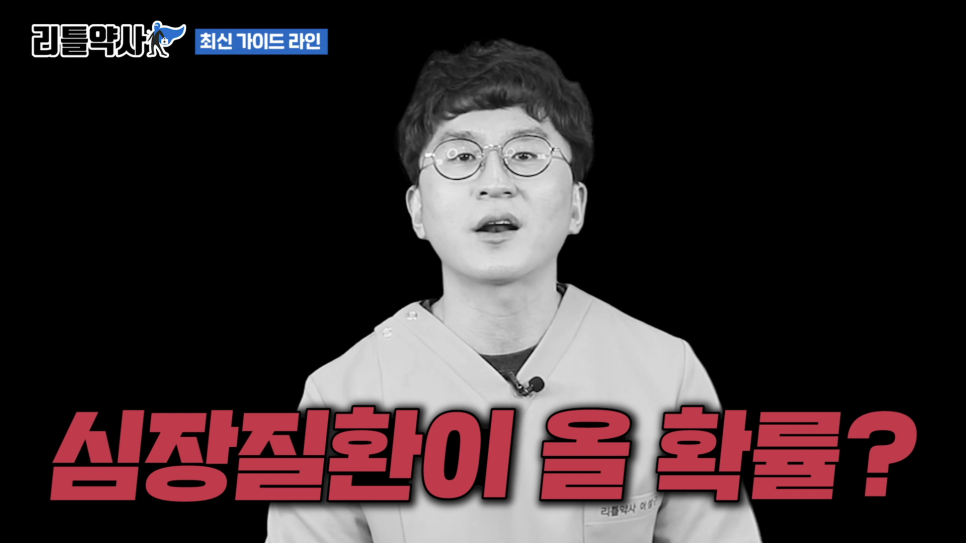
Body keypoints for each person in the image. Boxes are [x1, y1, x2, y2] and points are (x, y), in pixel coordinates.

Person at [266, 39, 761, 543]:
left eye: (526, 154)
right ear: (417, 211)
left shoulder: (667, 374)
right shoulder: (340, 398)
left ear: (576, 206)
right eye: (461, 156)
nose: (495, 182)